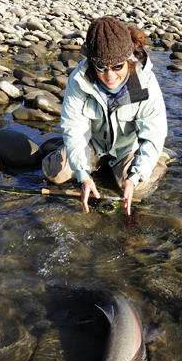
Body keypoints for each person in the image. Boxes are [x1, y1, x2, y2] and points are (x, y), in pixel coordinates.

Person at [42, 16, 168, 215]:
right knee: (54, 174)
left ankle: (155, 162)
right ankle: (81, 162)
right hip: (93, 145)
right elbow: (75, 130)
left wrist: (134, 178)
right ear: (92, 63)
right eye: (101, 67)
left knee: (142, 185)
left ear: (128, 59)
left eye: (118, 66)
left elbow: (154, 133)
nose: (110, 75)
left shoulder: (143, 82)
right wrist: (83, 177)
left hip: (126, 148)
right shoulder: (80, 80)